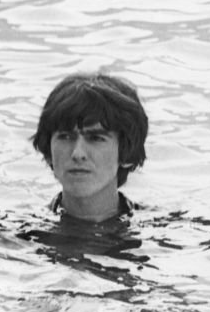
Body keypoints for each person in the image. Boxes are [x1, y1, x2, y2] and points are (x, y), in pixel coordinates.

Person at [31, 71, 148, 223]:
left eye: (95, 138)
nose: (77, 153)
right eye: (65, 137)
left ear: (127, 154)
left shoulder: (169, 235)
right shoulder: (12, 237)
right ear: (49, 152)